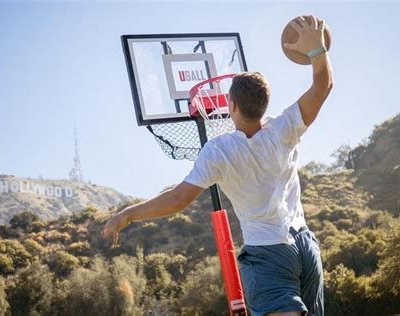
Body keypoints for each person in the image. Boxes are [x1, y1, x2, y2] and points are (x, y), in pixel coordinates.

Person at [102, 15, 333, 316]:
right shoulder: (285, 127)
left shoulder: (219, 150)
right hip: (305, 247)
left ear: (231, 105)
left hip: (268, 252)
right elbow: (322, 85)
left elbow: (177, 199)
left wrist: (128, 214)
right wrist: (317, 50)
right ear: (265, 104)